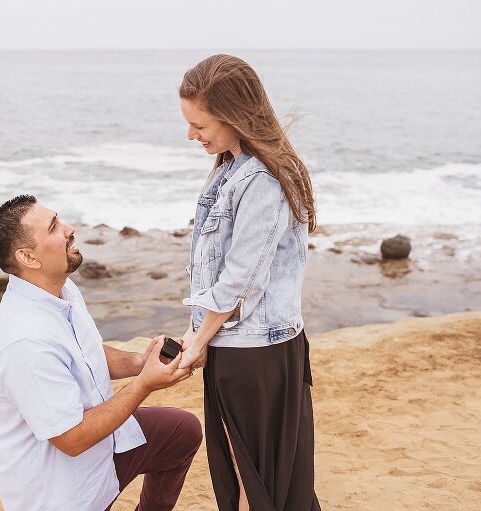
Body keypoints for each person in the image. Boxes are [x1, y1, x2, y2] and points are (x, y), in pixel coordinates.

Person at [0, 194, 202, 511]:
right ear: (28, 257)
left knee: (180, 432)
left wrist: (142, 361)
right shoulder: (23, 341)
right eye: (54, 227)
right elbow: (72, 439)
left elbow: (88, 354)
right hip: (64, 493)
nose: (69, 229)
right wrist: (145, 384)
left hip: (100, 454)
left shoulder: (61, 290)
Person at [176, 55, 321, 511]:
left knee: (267, 484)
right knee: (256, 479)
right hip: (237, 347)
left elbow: (240, 282)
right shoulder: (230, 167)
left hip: (257, 354)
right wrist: (196, 333)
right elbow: (218, 272)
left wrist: (199, 340)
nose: (191, 135)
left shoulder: (261, 178)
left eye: (199, 124)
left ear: (233, 114)